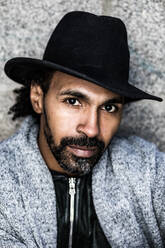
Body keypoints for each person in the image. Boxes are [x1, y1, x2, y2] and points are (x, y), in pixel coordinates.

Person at [1, 10, 165, 248]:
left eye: (108, 107)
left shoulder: (149, 173)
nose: (91, 129)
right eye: (73, 101)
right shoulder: (4, 183)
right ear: (38, 97)